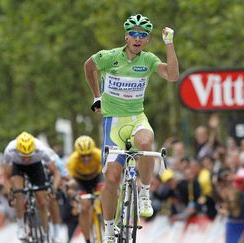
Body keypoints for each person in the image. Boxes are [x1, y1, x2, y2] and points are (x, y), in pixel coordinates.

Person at [84, 13, 179, 242]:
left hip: (137, 118)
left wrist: (169, 44)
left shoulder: (148, 60)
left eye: (143, 36)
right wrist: (97, 96)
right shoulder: (109, 57)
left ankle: (144, 192)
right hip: (113, 122)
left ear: (147, 40)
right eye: (134, 34)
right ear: (126, 37)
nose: (138, 39)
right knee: (113, 178)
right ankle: (108, 228)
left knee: (146, 142)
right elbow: (89, 67)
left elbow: (173, 75)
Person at [3, 131, 60, 240]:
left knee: (42, 202)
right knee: (18, 193)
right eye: (23, 156)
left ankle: (45, 233)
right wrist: (10, 192)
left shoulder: (41, 150)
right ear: (17, 151)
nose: (26, 159)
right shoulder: (10, 150)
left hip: (36, 167)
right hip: (17, 167)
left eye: (29, 156)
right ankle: (20, 226)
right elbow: (6, 176)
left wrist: (54, 188)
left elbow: (56, 172)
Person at [67, 135, 103, 243]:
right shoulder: (72, 160)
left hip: (97, 178)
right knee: (84, 207)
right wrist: (73, 195)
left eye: (89, 155)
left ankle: (110, 226)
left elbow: (109, 173)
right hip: (80, 182)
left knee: (106, 197)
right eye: (82, 156)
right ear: (78, 154)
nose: (86, 158)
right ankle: (87, 239)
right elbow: (69, 182)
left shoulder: (99, 155)